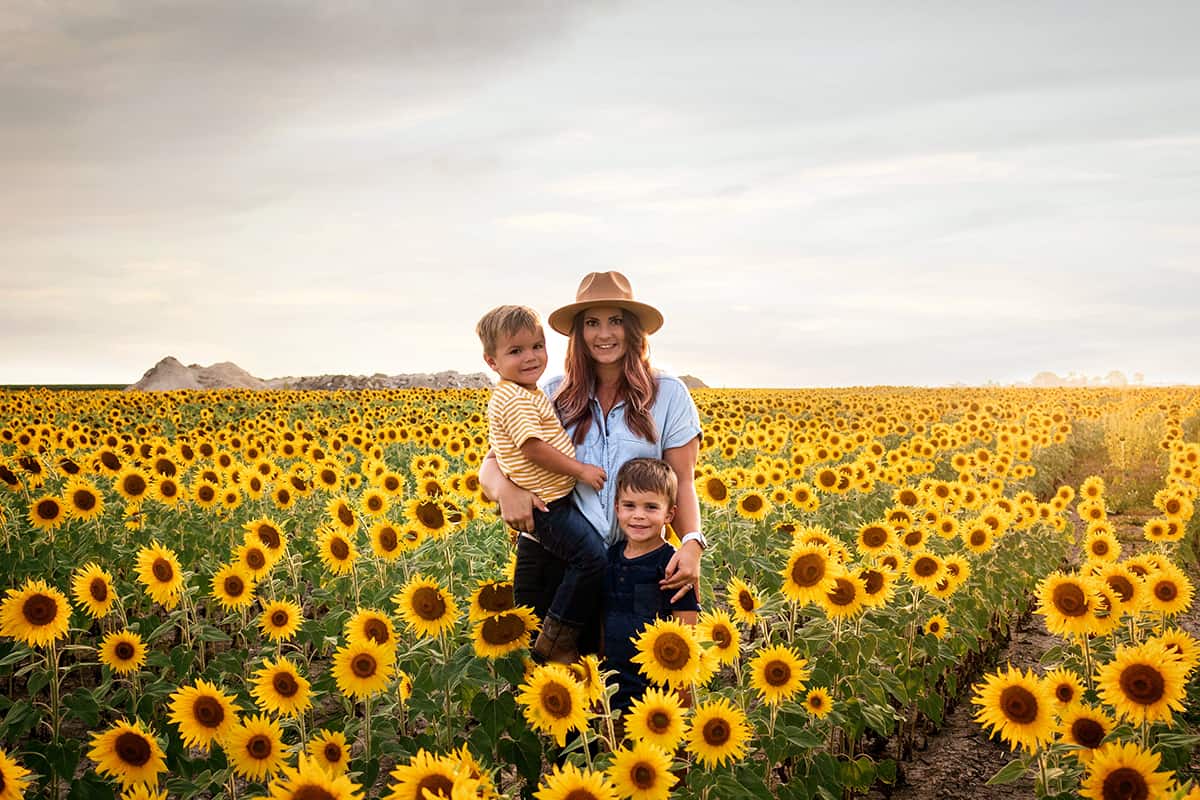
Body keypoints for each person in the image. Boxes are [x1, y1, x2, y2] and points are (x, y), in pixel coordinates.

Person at [480, 271, 706, 655]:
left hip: (635, 562)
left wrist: (691, 543)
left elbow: (682, 481)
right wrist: (506, 489)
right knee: (557, 689)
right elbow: (492, 463)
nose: (604, 334)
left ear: (633, 328)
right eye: (592, 323)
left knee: (632, 688)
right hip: (560, 561)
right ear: (578, 333)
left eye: (615, 320)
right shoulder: (550, 393)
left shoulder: (668, 394)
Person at [475, 305, 608, 663]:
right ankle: (557, 637)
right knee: (592, 559)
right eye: (515, 351)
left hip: (556, 502)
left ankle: (559, 638)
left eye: (537, 346)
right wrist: (579, 470)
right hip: (548, 507)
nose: (530, 357)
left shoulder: (529, 392)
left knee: (589, 560)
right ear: (492, 361)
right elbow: (531, 448)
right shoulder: (516, 398)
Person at [603, 458, 700, 712]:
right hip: (614, 689)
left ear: (669, 514)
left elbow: (686, 628)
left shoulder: (670, 564)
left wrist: (683, 691)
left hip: (658, 694)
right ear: (617, 508)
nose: (638, 515)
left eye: (651, 507)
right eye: (629, 505)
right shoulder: (609, 558)